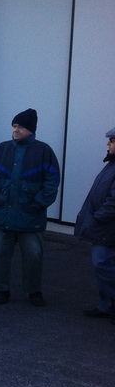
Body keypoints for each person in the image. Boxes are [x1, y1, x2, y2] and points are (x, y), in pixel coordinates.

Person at [0, 108, 60, 306]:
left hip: (31, 217)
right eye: (14, 126)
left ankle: (34, 291)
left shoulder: (44, 152)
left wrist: (37, 205)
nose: (16, 130)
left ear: (31, 130)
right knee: (0, 255)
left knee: (33, 256)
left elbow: (52, 182)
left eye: (21, 127)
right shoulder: (0, 149)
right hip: (4, 215)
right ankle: (1, 290)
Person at [74, 126, 115, 321]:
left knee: (102, 263)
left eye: (112, 140)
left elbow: (113, 203)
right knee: (103, 264)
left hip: (107, 228)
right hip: (105, 228)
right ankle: (108, 305)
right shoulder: (111, 164)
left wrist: (96, 218)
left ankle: (110, 305)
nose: (108, 143)